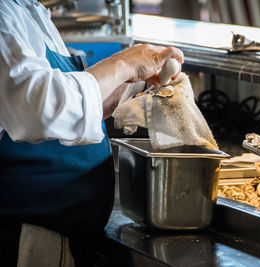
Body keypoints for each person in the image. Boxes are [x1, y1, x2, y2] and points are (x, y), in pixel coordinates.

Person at [0, 0, 184, 265]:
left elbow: (71, 108)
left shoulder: (29, 11)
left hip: (54, 233)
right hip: (17, 240)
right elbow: (40, 108)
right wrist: (124, 64)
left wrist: (129, 84)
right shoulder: (5, 13)